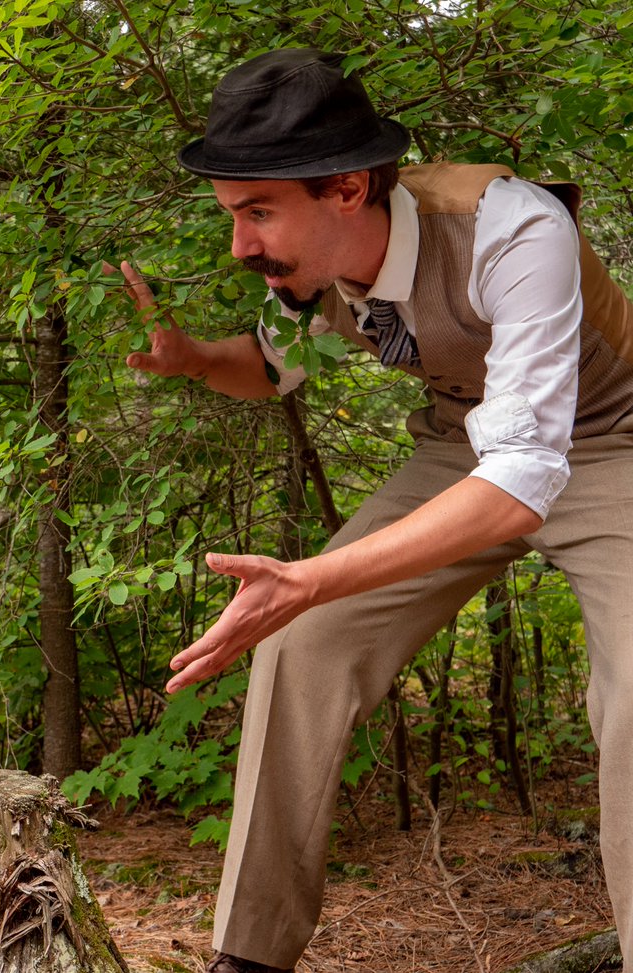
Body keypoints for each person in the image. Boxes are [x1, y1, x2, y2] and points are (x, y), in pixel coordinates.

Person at [113, 48, 633, 973]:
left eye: (257, 212)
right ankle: (248, 956)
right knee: (299, 642)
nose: (239, 245)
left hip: (614, 442)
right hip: (463, 445)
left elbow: (523, 479)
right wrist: (191, 359)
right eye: (233, 214)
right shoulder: (310, 274)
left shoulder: (515, 229)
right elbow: (269, 369)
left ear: (348, 188)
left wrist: (310, 575)